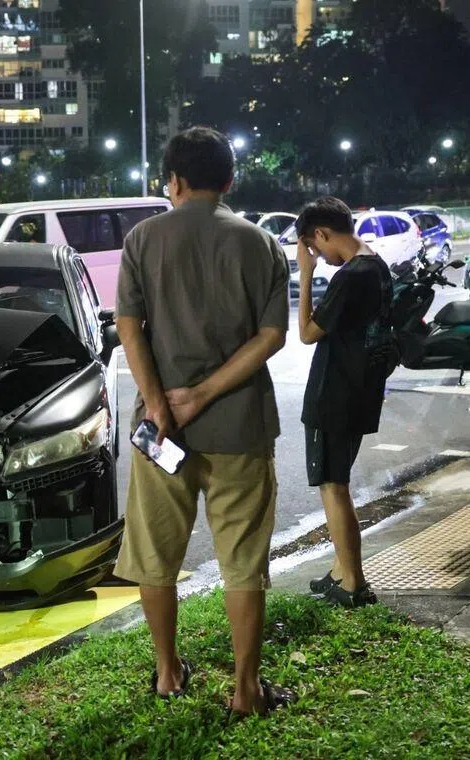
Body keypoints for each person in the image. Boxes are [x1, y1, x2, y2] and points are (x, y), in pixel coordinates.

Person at [114, 127, 294, 716]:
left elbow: (129, 326)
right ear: (229, 182)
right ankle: (245, 690)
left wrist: (162, 404)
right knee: (243, 561)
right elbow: (272, 335)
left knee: (155, 556)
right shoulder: (261, 243)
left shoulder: (143, 239)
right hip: (240, 427)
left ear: (174, 181)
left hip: (163, 433)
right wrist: (207, 393)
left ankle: (168, 674)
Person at [295, 197, 393, 608]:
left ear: (321, 233)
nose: (318, 256)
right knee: (338, 482)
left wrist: (305, 276)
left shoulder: (350, 276)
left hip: (332, 395)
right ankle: (340, 569)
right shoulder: (378, 267)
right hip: (360, 391)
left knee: (334, 487)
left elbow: (306, 333)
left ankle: (352, 581)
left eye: (315, 248)